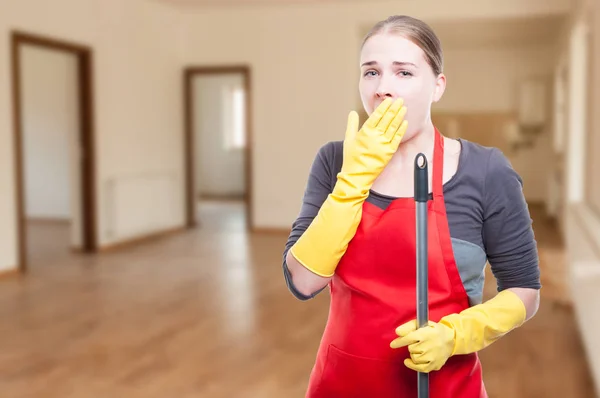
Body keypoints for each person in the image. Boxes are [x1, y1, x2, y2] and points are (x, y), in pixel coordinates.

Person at [282, 14, 541, 398]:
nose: (383, 87)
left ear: (437, 86)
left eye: (404, 73)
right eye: (371, 73)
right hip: (342, 384)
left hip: (446, 386)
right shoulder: (336, 161)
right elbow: (303, 281)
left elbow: (525, 291)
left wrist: (457, 335)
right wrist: (353, 181)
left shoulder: (486, 172)